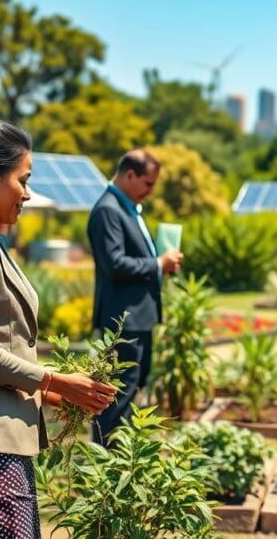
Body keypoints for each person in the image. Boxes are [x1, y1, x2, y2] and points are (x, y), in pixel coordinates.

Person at [0, 96, 116, 538]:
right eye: (24, 179)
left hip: (1, 439)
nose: (28, 192)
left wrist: (53, 394)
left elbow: (0, 345)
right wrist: (55, 381)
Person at [88, 148, 182, 446]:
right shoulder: (108, 210)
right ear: (130, 175)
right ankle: (107, 457)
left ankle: (120, 454)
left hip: (138, 317)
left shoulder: (125, 207)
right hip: (123, 321)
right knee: (118, 392)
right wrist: (158, 265)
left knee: (133, 386)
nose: (150, 192)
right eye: (148, 184)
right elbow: (114, 264)